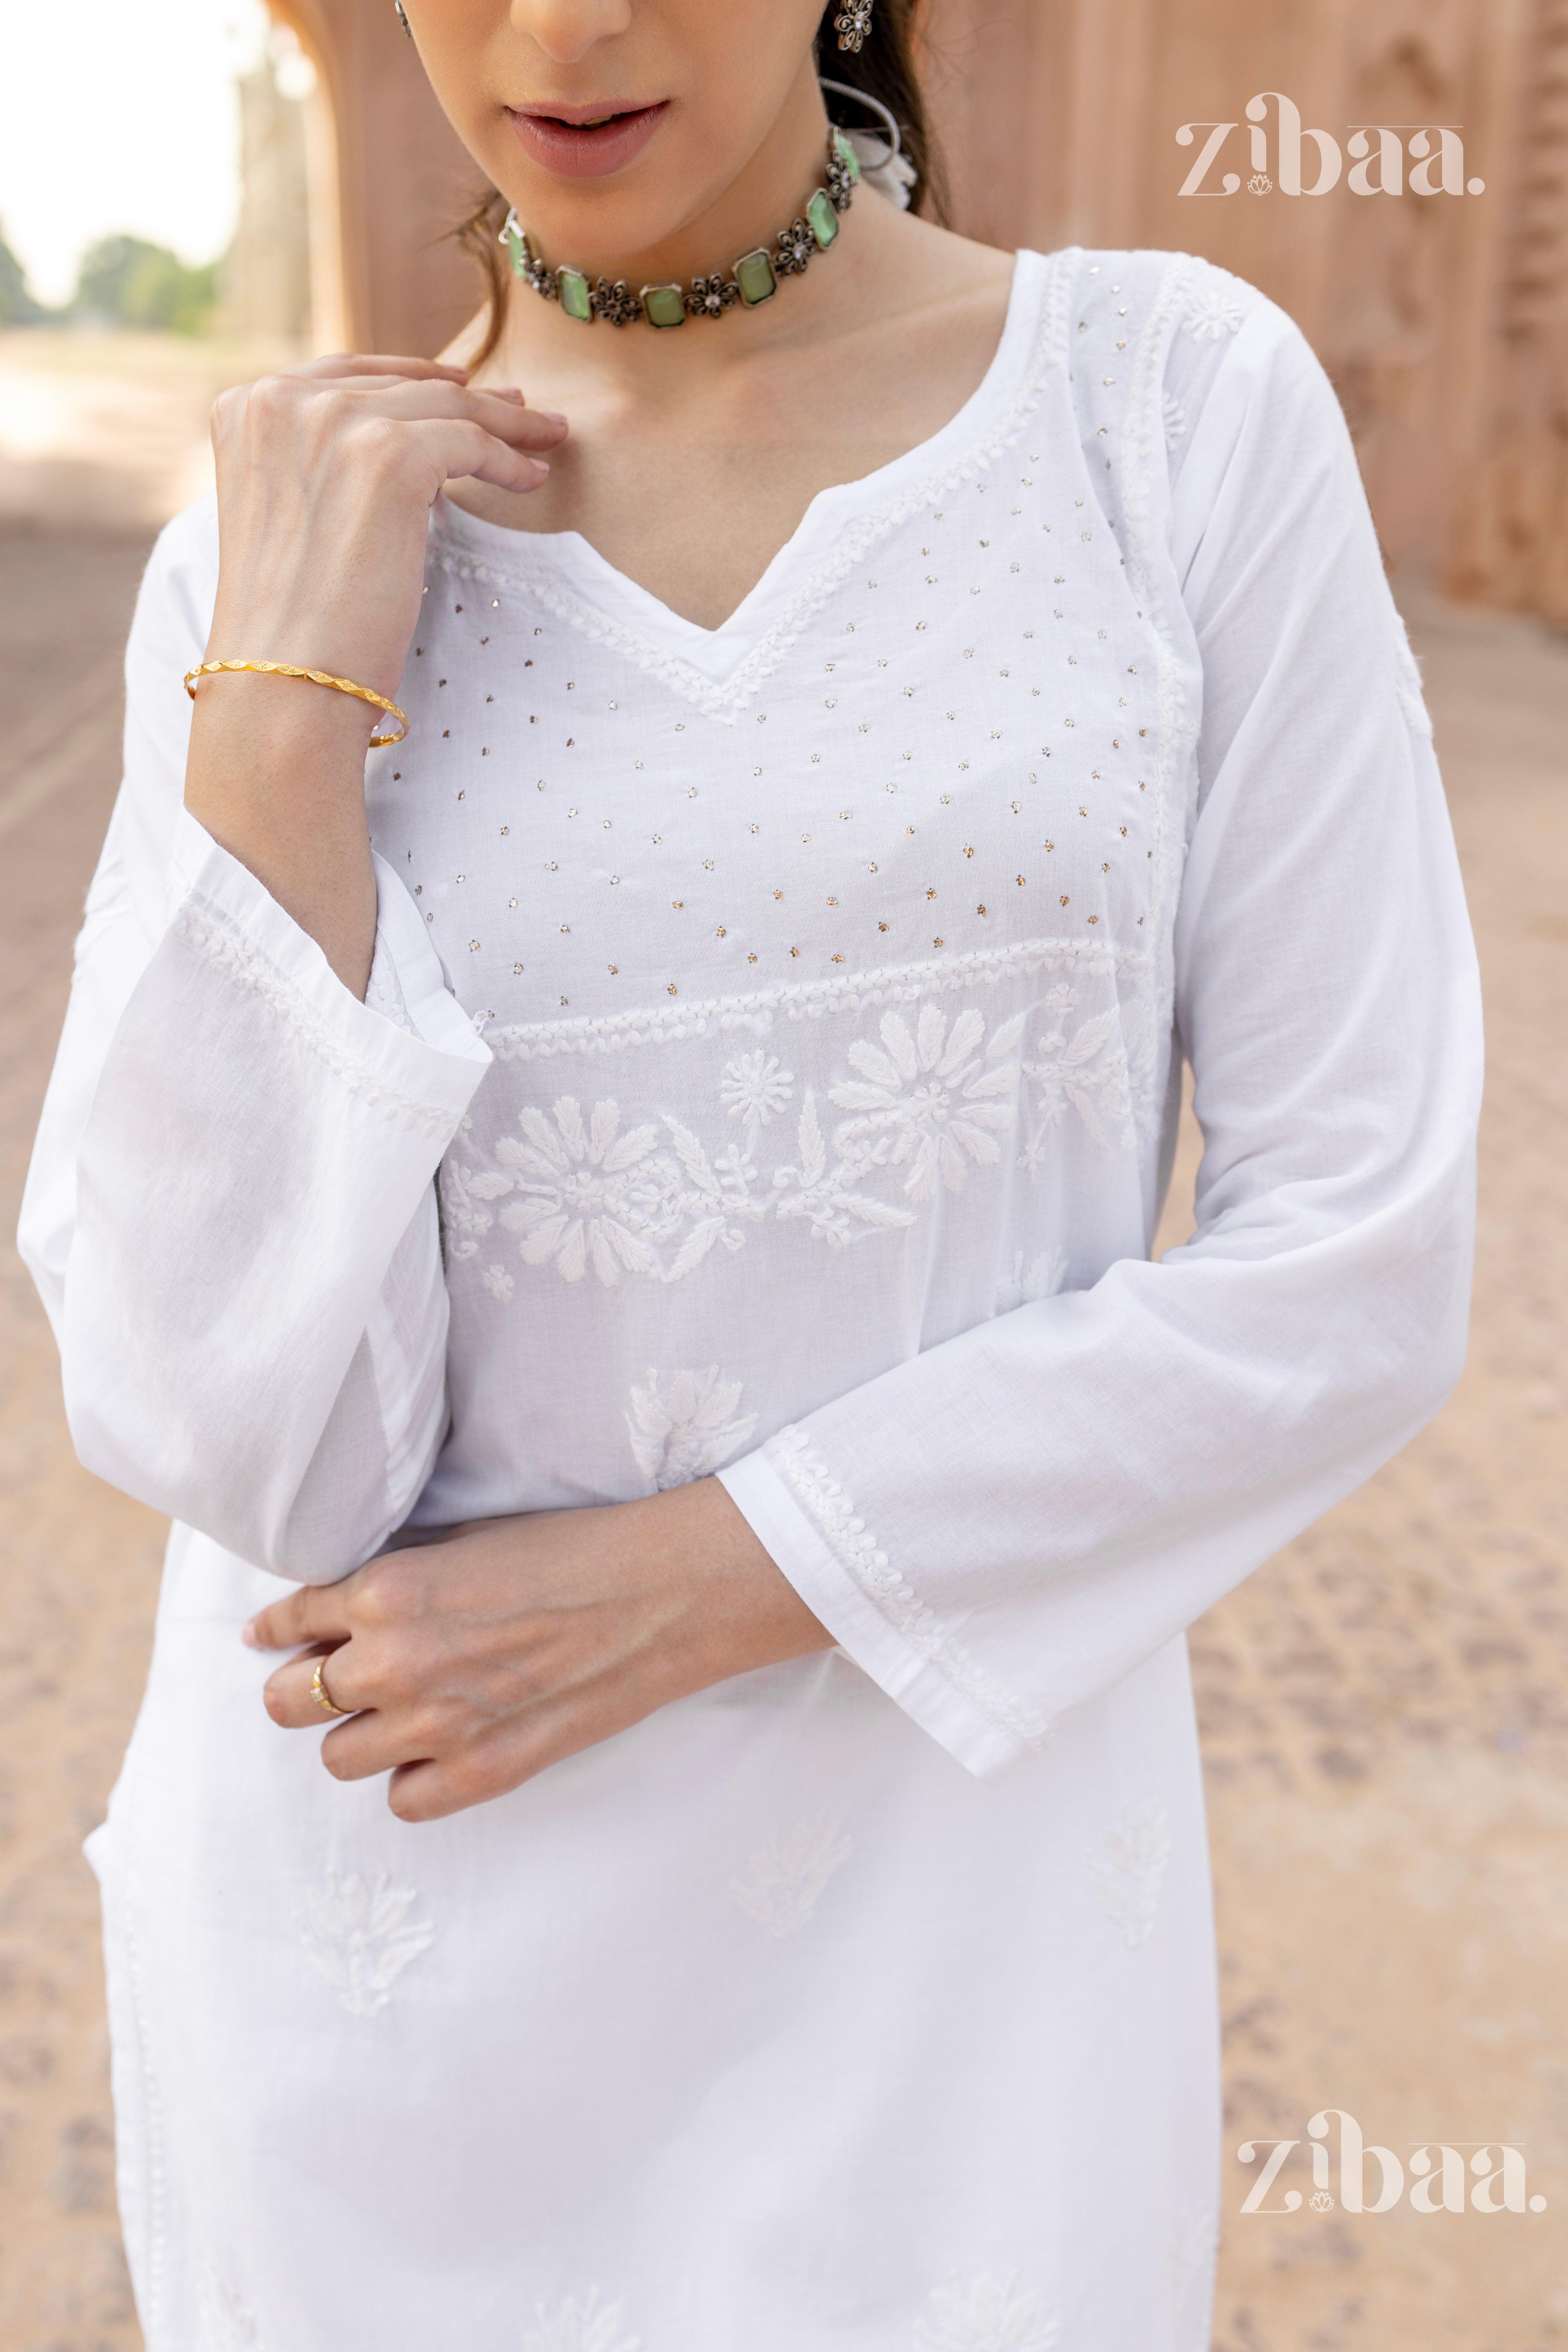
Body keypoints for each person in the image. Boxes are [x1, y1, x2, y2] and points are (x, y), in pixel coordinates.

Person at [19, 0, 1481, 2345]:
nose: (567, 31)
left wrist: (718, 1576)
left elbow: (1360, 1260)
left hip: (954, 1986)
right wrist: (282, 727)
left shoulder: (1164, 416)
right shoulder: (270, 556)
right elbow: (238, 1440)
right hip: (386, 2006)